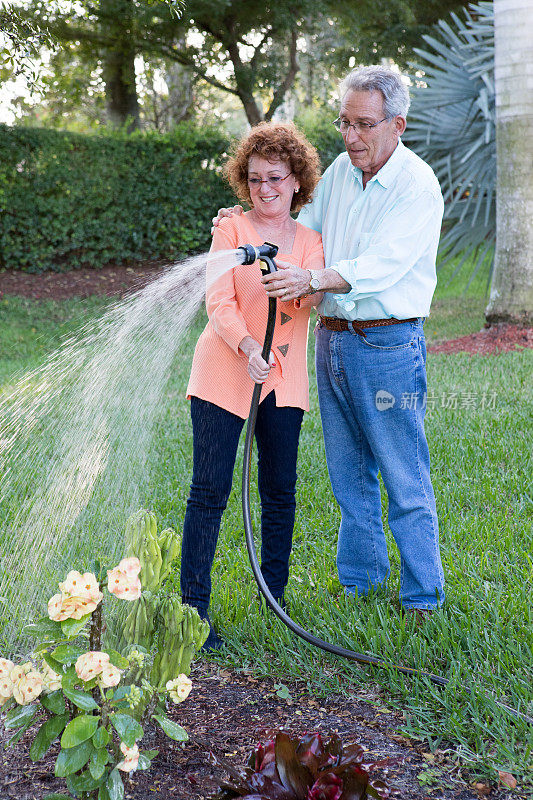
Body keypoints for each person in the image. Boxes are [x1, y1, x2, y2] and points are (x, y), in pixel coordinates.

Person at [213, 66, 445, 615]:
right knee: (348, 477)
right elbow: (295, 225)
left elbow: (382, 265)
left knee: (403, 477)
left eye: (364, 124)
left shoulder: (417, 186)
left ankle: (423, 598)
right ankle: (362, 585)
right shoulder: (341, 171)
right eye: (345, 122)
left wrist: (313, 279)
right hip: (333, 340)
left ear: (398, 124)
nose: (351, 135)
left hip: (388, 347)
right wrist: (243, 218)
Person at [181, 122, 324, 649]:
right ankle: (194, 611)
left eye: (277, 178)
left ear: (296, 181)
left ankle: (274, 595)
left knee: (279, 492)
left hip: (284, 381)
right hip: (224, 370)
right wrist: (246, 346)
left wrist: (284, 270)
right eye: (256, 178)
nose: (266, 189)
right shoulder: (231, 230)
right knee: (209, 491)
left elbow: (309, 297)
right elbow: (217, 300)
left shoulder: (312, 243)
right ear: (245, 181)